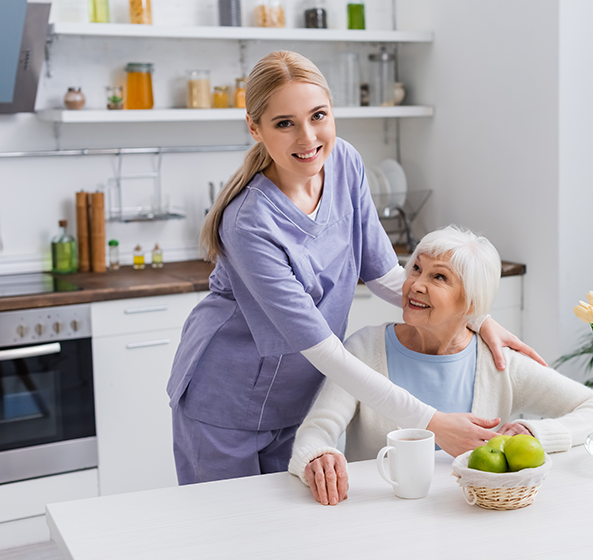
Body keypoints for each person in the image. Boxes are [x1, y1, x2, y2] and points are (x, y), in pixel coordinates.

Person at [166, 51, 543, 485]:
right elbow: (326, 350)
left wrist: (475, 318)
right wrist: (433, 423)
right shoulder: (249, 221)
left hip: (297, 401)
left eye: (318, 116)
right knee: (224, 541)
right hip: (224, 405)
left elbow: (386, 276)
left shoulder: (342, 162)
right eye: (284, 123)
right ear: (256, 129)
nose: (308, 138)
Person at [289, 226, 593, 505]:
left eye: (439, 277)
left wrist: (535, 433)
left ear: (471, 302)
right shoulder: (365, 348)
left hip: (472, 517)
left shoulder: (498, 363)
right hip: (382, 521)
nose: (416, 284)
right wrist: (318, 456)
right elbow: (316, 430)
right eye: (415, 269)